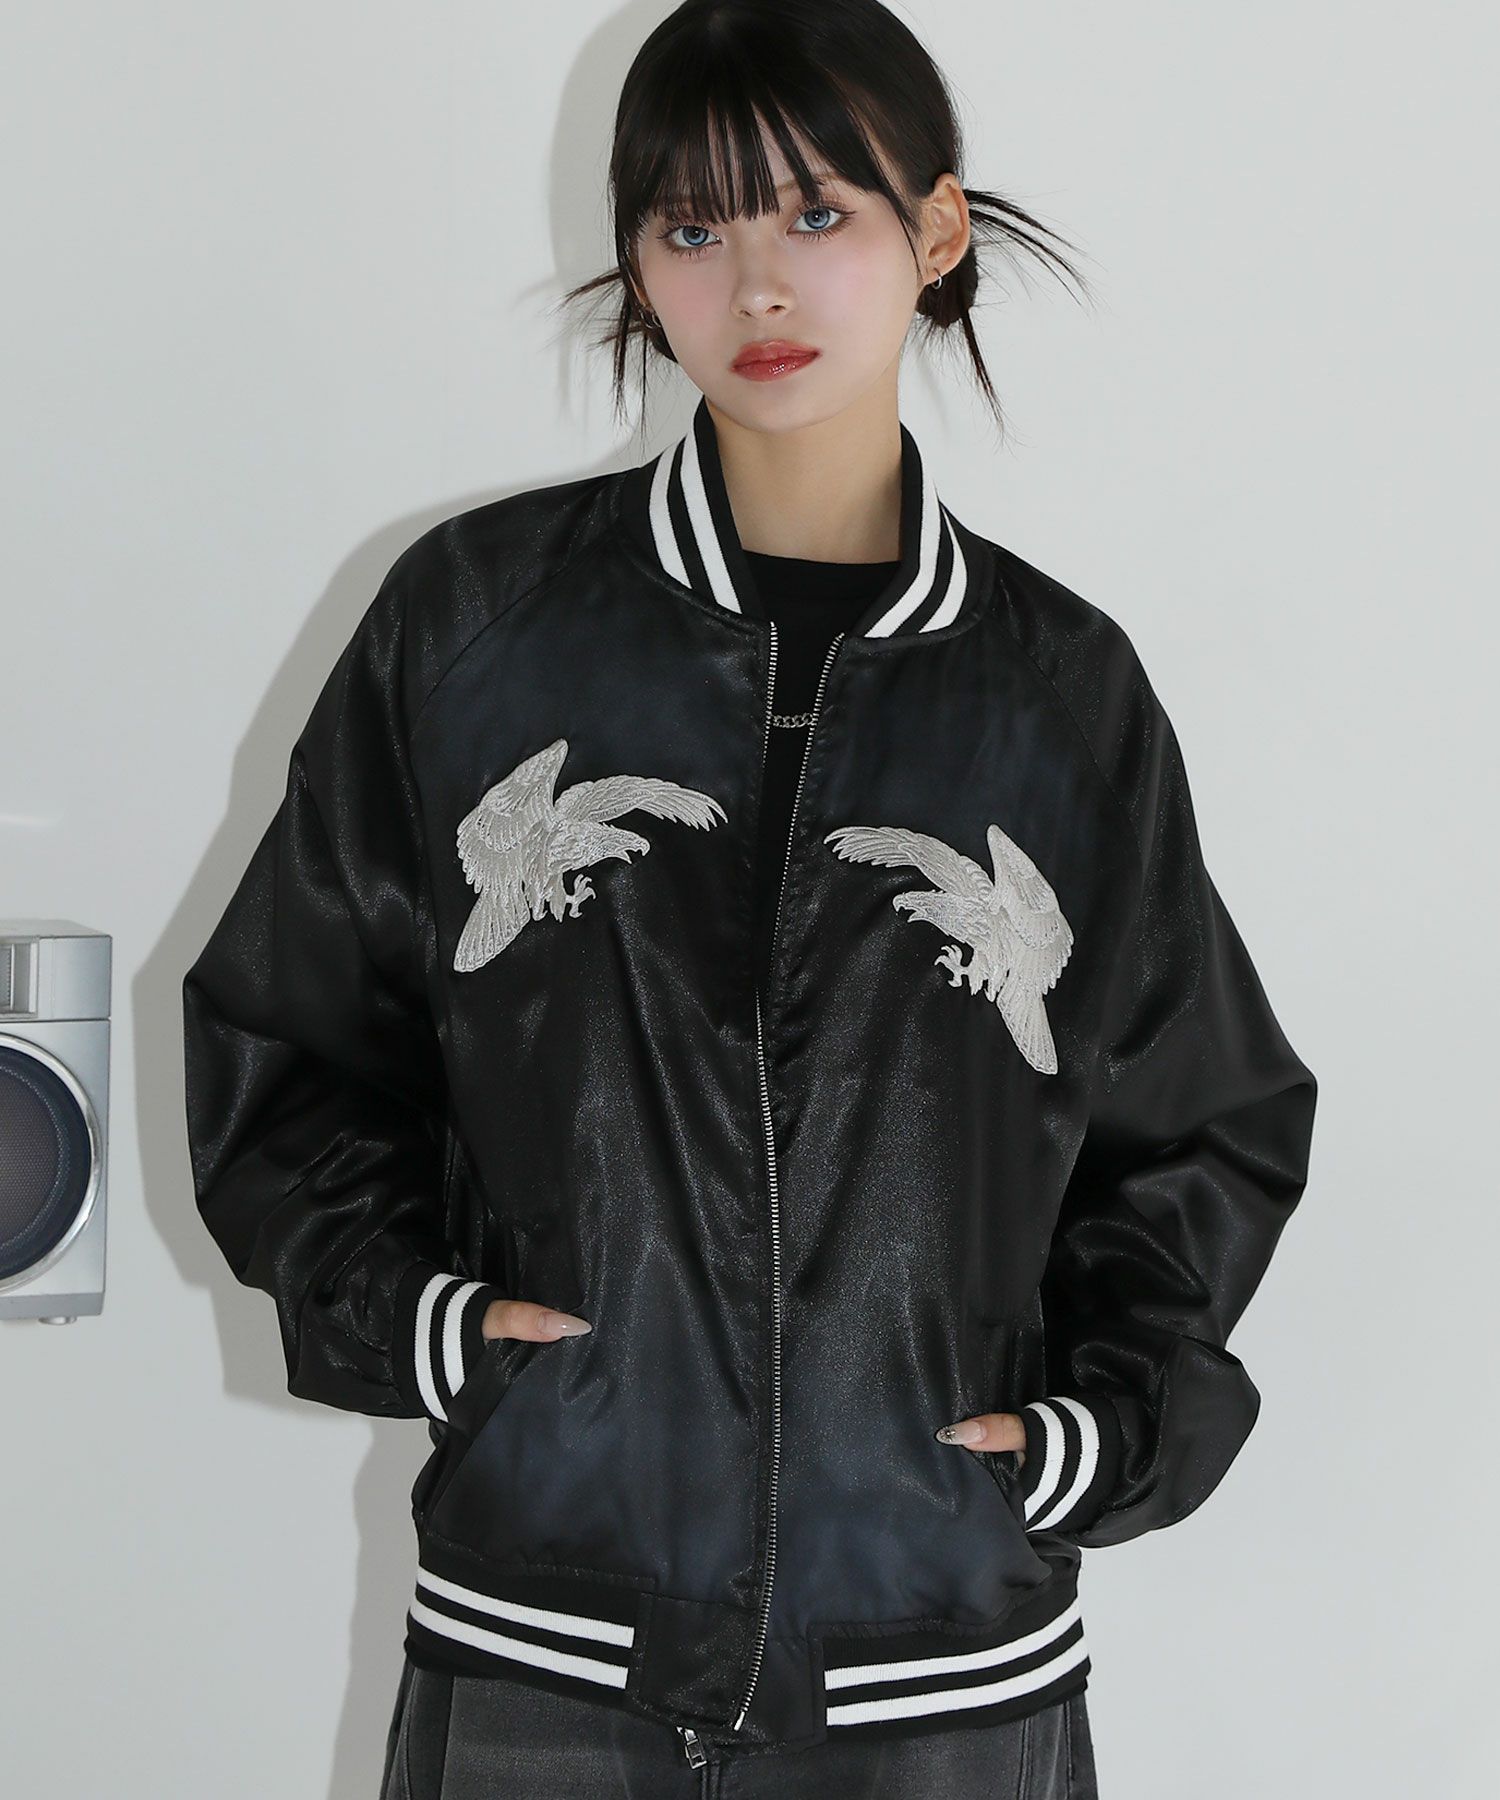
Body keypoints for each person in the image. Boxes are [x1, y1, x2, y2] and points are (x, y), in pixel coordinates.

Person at [180, 3, 1318, 1795]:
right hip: (552, 1644)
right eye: (694, 228)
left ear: (935, 231)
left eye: (817, 213)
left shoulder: (1060, 699)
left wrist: (1091, 1436)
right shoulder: (473, 631)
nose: (758, 285)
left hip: (943, 1671)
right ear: (639, 267)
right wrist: (434, 1329)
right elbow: (288, 1038)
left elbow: (1202, 1121)